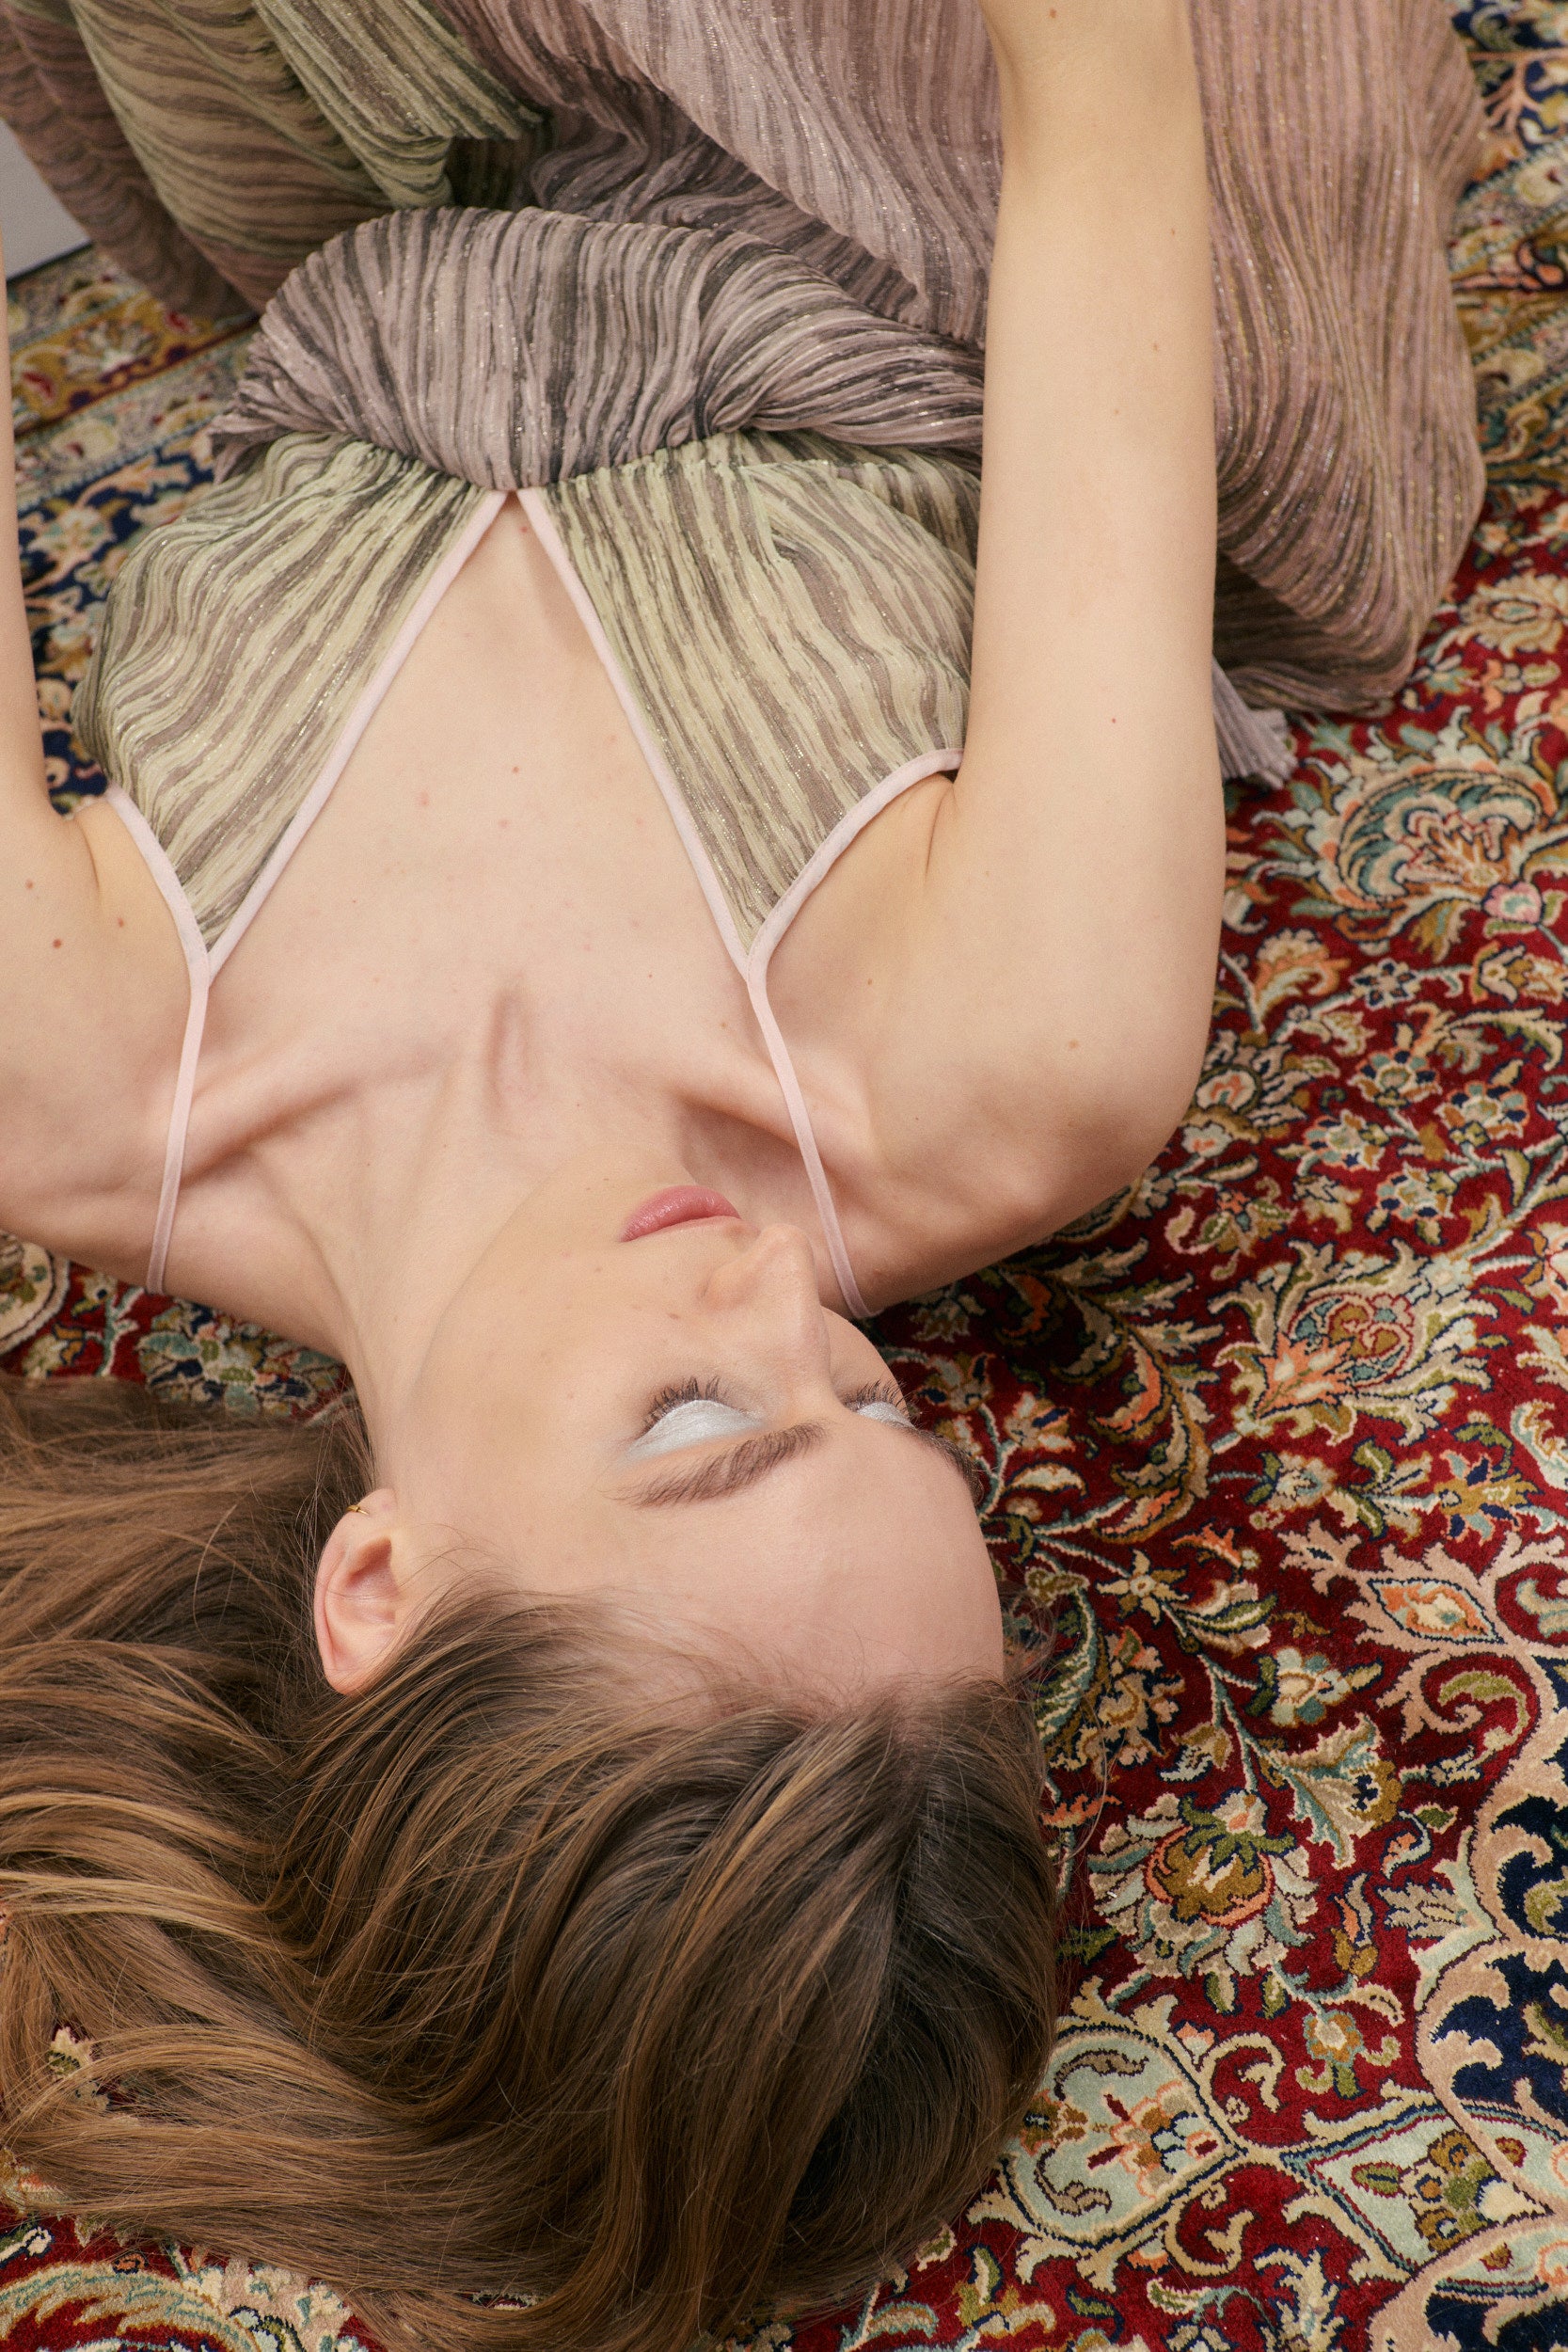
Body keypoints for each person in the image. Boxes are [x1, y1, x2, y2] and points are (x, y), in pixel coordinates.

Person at [0, 4, 1482, 2350]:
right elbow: (1100, 97)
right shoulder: (1005, 1069)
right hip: (939, 220)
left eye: (703, 1432)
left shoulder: (71, 1072)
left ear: (377, 1583)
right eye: (883, 1403)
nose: (788, 1291)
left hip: (391, 181)